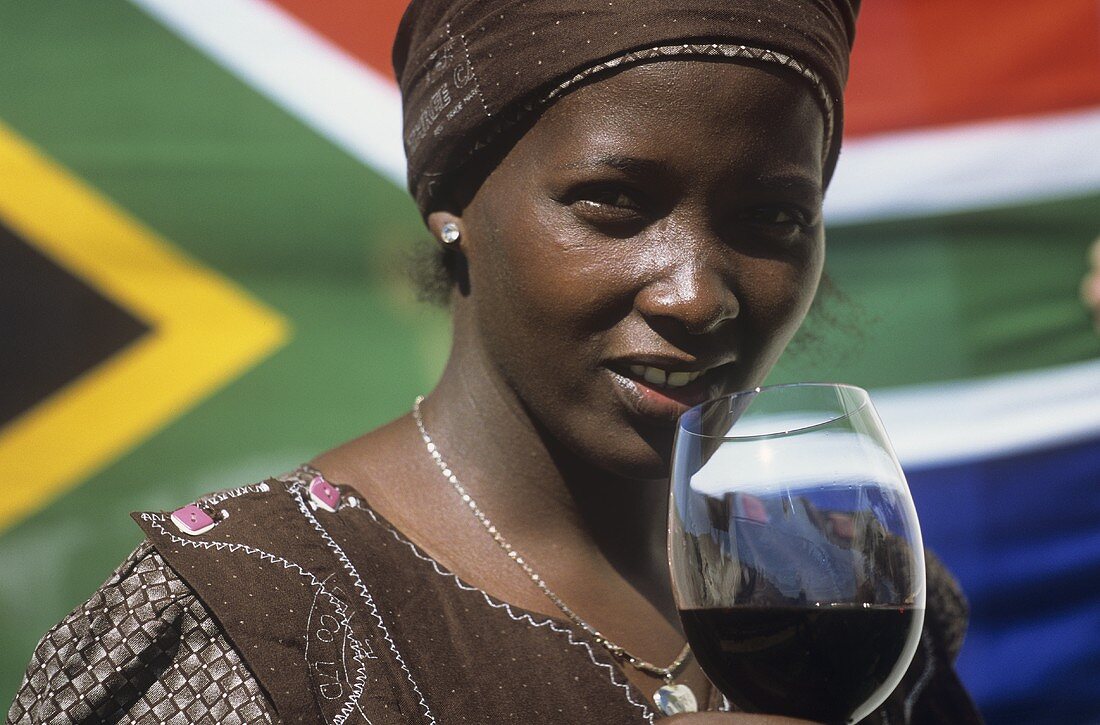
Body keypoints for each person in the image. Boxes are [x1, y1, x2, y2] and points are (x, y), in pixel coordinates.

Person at [8, 0, 982, 723]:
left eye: (769, 216)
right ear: (454, 203)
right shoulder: (258, 630)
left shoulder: (836, 592)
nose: (695, 292)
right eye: (613, 201)